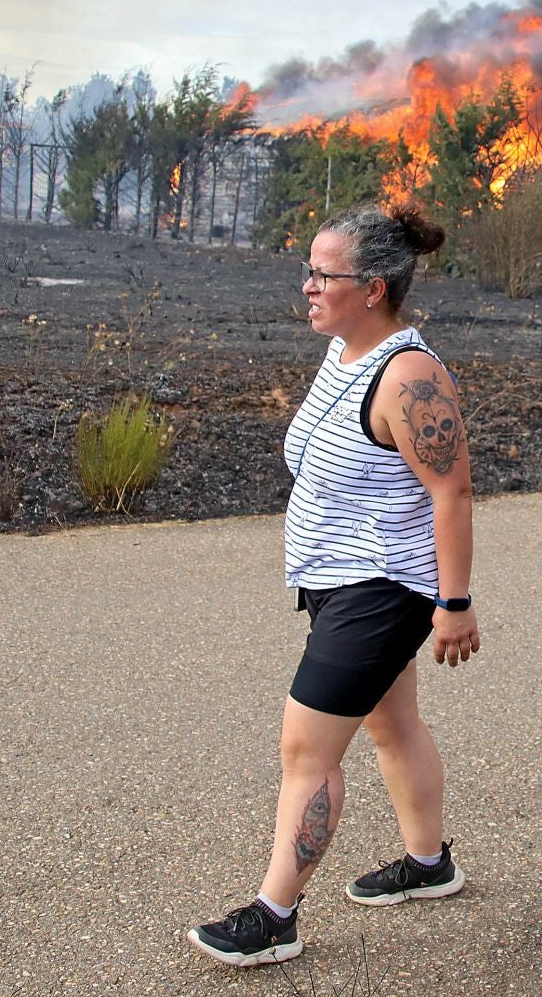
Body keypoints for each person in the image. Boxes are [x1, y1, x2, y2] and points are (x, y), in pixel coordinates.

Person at [187, 201, 480, 968]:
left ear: (374, 287)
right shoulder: (346, 350)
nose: (309, 286)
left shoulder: (408, 377)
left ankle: (275, 915)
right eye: (309, 270)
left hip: (381, 592)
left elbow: (452, 493)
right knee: (393, 724)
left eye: (324, 274)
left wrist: (454, 604)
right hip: (339, 582)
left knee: (307, 752)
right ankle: (428, 866)